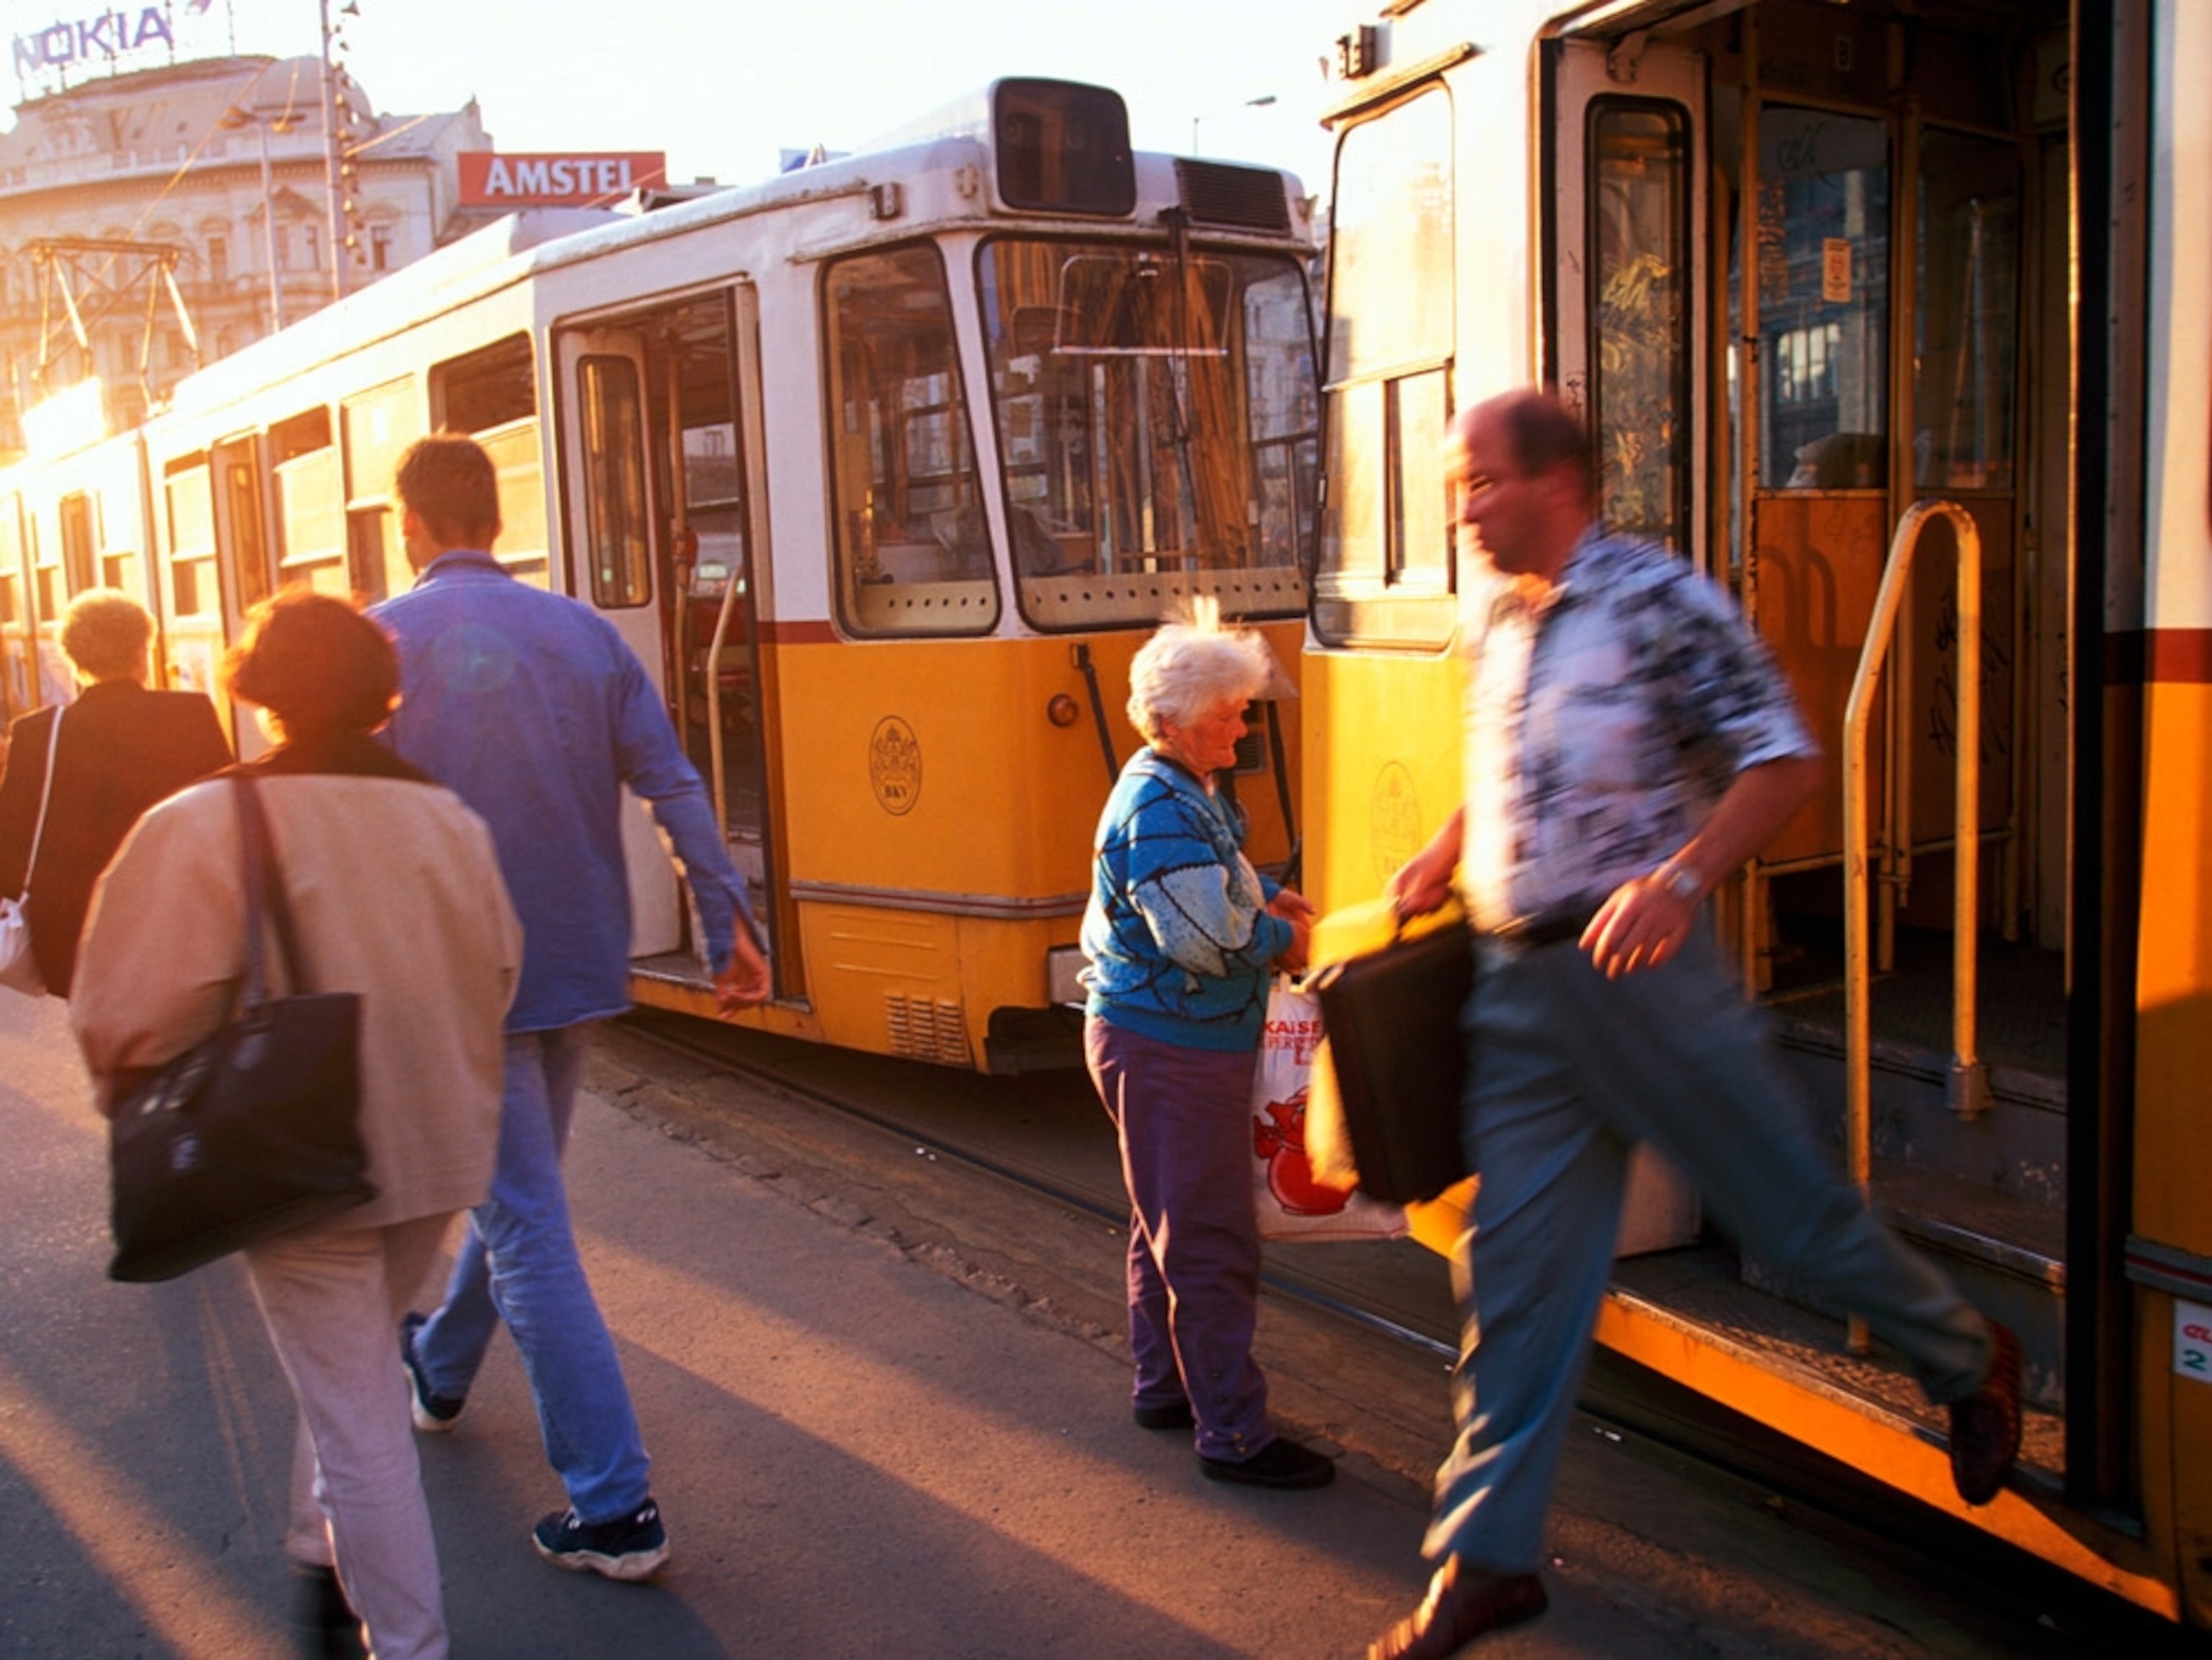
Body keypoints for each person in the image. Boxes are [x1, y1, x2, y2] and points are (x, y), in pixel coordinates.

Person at [1368, 389, 2022, 1659]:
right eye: (1459, 484)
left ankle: (1959, 1351)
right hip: (1517, 991)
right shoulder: (1501, 617)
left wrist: (1678, 878)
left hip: (1643, 981)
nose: (1463, 507)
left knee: (1793, 1222)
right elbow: (1507, 765)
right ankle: (1484, 1561)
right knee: (1514, 1283)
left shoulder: (1660, 602)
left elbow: (1782, 758)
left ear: (1558, 482)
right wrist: (1445, 850)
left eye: (1480, 481)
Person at [72, 590, 521, 1660]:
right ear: (381, 692)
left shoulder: (207, 820)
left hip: (296, 1158)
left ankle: (407, 1643)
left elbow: (124, 1011)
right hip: (438, 1143)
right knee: (355, 1368)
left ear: (257, 688)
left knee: (359, 1414)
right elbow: (499, 970)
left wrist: (136, 1098)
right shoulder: (446, 816)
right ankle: (318, 1552)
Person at [371, 432, 771, 1582]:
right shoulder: (584, 631)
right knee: (521, 1197)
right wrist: (722, 922)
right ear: (494, 519)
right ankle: (441, 1373)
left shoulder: (385, 638)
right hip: (572, 961)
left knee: (525, 1225)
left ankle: (616, 1505)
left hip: (459, 975)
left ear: (413, 521)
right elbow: (672, 780)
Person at [1078, 613, 1332, 1491]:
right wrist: (1279, 937)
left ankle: (1165, 1388)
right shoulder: (1160, 803)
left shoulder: (1178, 785)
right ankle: (1234, 1434)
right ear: (1183, 718)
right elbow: (1202, 936)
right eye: (1229, 711)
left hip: (1167, 1040)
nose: (1243, 725)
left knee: (1165, 1225)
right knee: (1209, 1238)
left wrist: (1262, 886)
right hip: (1169, 1045)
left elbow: (1206, 879)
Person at [0, 590, 230, 997]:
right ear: (142, 652)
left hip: (75, 929)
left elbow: (13, 835)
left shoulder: (38, 734)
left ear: (74, 659)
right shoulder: (192, 714)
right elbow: (226, 810)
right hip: (178, 914)